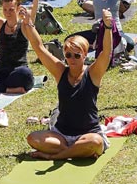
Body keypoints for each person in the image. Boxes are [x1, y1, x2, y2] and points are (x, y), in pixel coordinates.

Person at [25, 18, 115, 161]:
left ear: (85, 55)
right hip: (61, 135)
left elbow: (106, 53)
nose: (72, 59)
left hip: (88, 134)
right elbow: (39, 48)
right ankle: (77, 151)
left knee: (95, 142)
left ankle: (55, 156)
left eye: (77, 55)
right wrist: (29, 24)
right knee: (33, 138)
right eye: (68, 55)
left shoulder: (93, 73)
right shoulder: (60, 71)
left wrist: (109, 27)